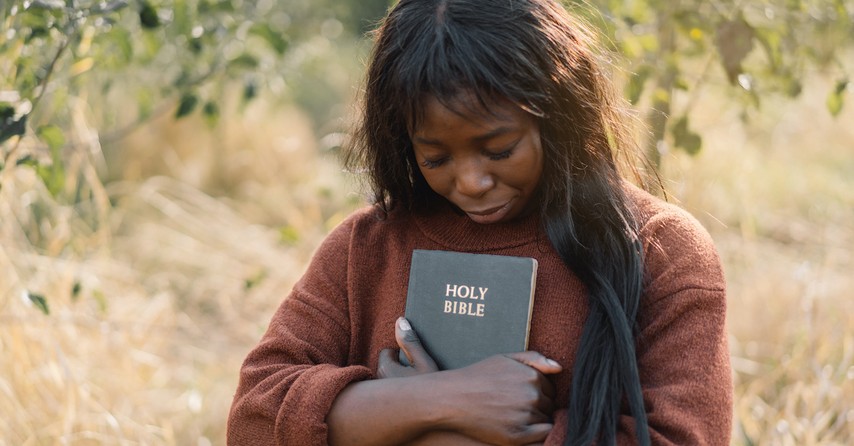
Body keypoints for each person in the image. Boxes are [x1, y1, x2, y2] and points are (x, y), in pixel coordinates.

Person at [227, 0, 733, 444]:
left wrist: (397, 426)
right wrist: (442, 401)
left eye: (499, 149)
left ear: (556, 116)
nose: (471, 182)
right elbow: (252, 420)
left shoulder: (659, 248)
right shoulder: (367, 247)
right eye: (436, 157)